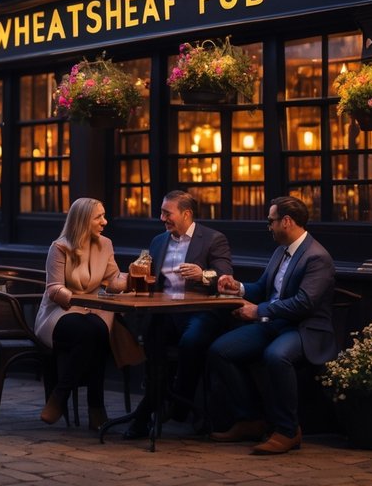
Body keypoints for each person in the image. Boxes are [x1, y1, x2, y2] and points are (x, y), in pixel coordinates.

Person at [206, 195, 336, 455]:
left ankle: (288, 430)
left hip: (305, 328)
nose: (269, 227)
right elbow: (264, 288)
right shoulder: (281, 250)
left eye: (271, 221)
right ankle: (251, 420)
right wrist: (238, 287)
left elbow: (304, 304)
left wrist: (258, 311)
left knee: (276, 356)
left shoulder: (317, 256)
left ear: (286, 221)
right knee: (220, 350)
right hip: (275, 324)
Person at [123, 190, 233, 440]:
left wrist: (202, 275)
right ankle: (161, 406)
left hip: (199, 312)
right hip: (164, 312)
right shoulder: (159, 241)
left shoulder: (213, 239)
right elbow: (148, 274)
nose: (162, 218)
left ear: (186, 214)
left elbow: (225, 277)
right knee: (150, 340)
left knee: (192, 341)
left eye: (166, 213)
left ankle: (170, 407)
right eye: (162, 212)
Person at [35, 197, 127, 430]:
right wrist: (75, 299)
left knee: (96, 331)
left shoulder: (105, 244)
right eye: (99, 217)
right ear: (83, 220)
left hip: (93, 310)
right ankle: (94, 406)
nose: (105, 222)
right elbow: (54, 288)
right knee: (92, 333)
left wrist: (132, 276)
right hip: (60, 311)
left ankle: (60, 396)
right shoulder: (60, 247)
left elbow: (113, 279)